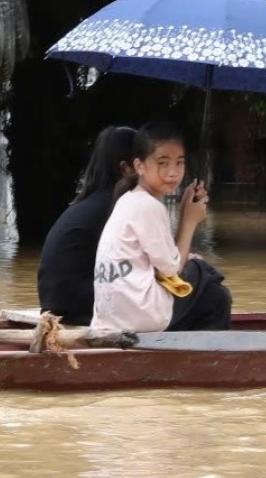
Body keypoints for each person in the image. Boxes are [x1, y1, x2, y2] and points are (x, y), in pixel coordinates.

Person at [91, 121, 233, 333]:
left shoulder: (128, 200)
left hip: (112, 317)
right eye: (163, 163)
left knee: (202, 276)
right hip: (143, 316)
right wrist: (188, 221)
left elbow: (163, 261)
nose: (173, 173)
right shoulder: (149, 207)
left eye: (179, 163)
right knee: (214, 289)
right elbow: (171, 269)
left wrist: (187, 210)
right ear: (139, 166)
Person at [36, 125, 138, 325]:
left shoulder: (94, 200)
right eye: (147, 162)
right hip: (77, 307)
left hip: (58, 302)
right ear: (126, 168)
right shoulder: (120, 205)